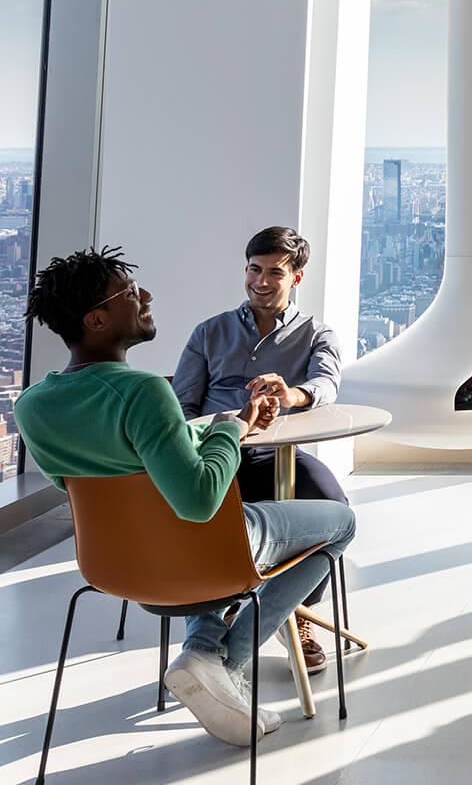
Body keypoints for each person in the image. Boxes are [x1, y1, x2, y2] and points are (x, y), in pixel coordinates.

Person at [14, 247, 355, 748]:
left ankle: (205, 655)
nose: (145, 296)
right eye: (129, 292)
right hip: (202, 557)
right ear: (97, 318)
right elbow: (198, 502)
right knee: (341, 522)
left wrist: (217, 431)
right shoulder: (144, 391)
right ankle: (220, 663)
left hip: (114, 567)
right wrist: (226, 430)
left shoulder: (32, 405)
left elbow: (104, 481)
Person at [174, 226, 347, 674]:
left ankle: (298, 612)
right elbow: (183, 406)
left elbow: (326, 384)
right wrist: (224, 427)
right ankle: (227, 614)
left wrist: (293, 396)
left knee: (332, 506)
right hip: (216, 450)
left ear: (297, 277)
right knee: (210, 515)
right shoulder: (209, 332)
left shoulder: (316, 333)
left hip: (277, 453)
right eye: (254, 269)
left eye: (275, 272)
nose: (261, 281)